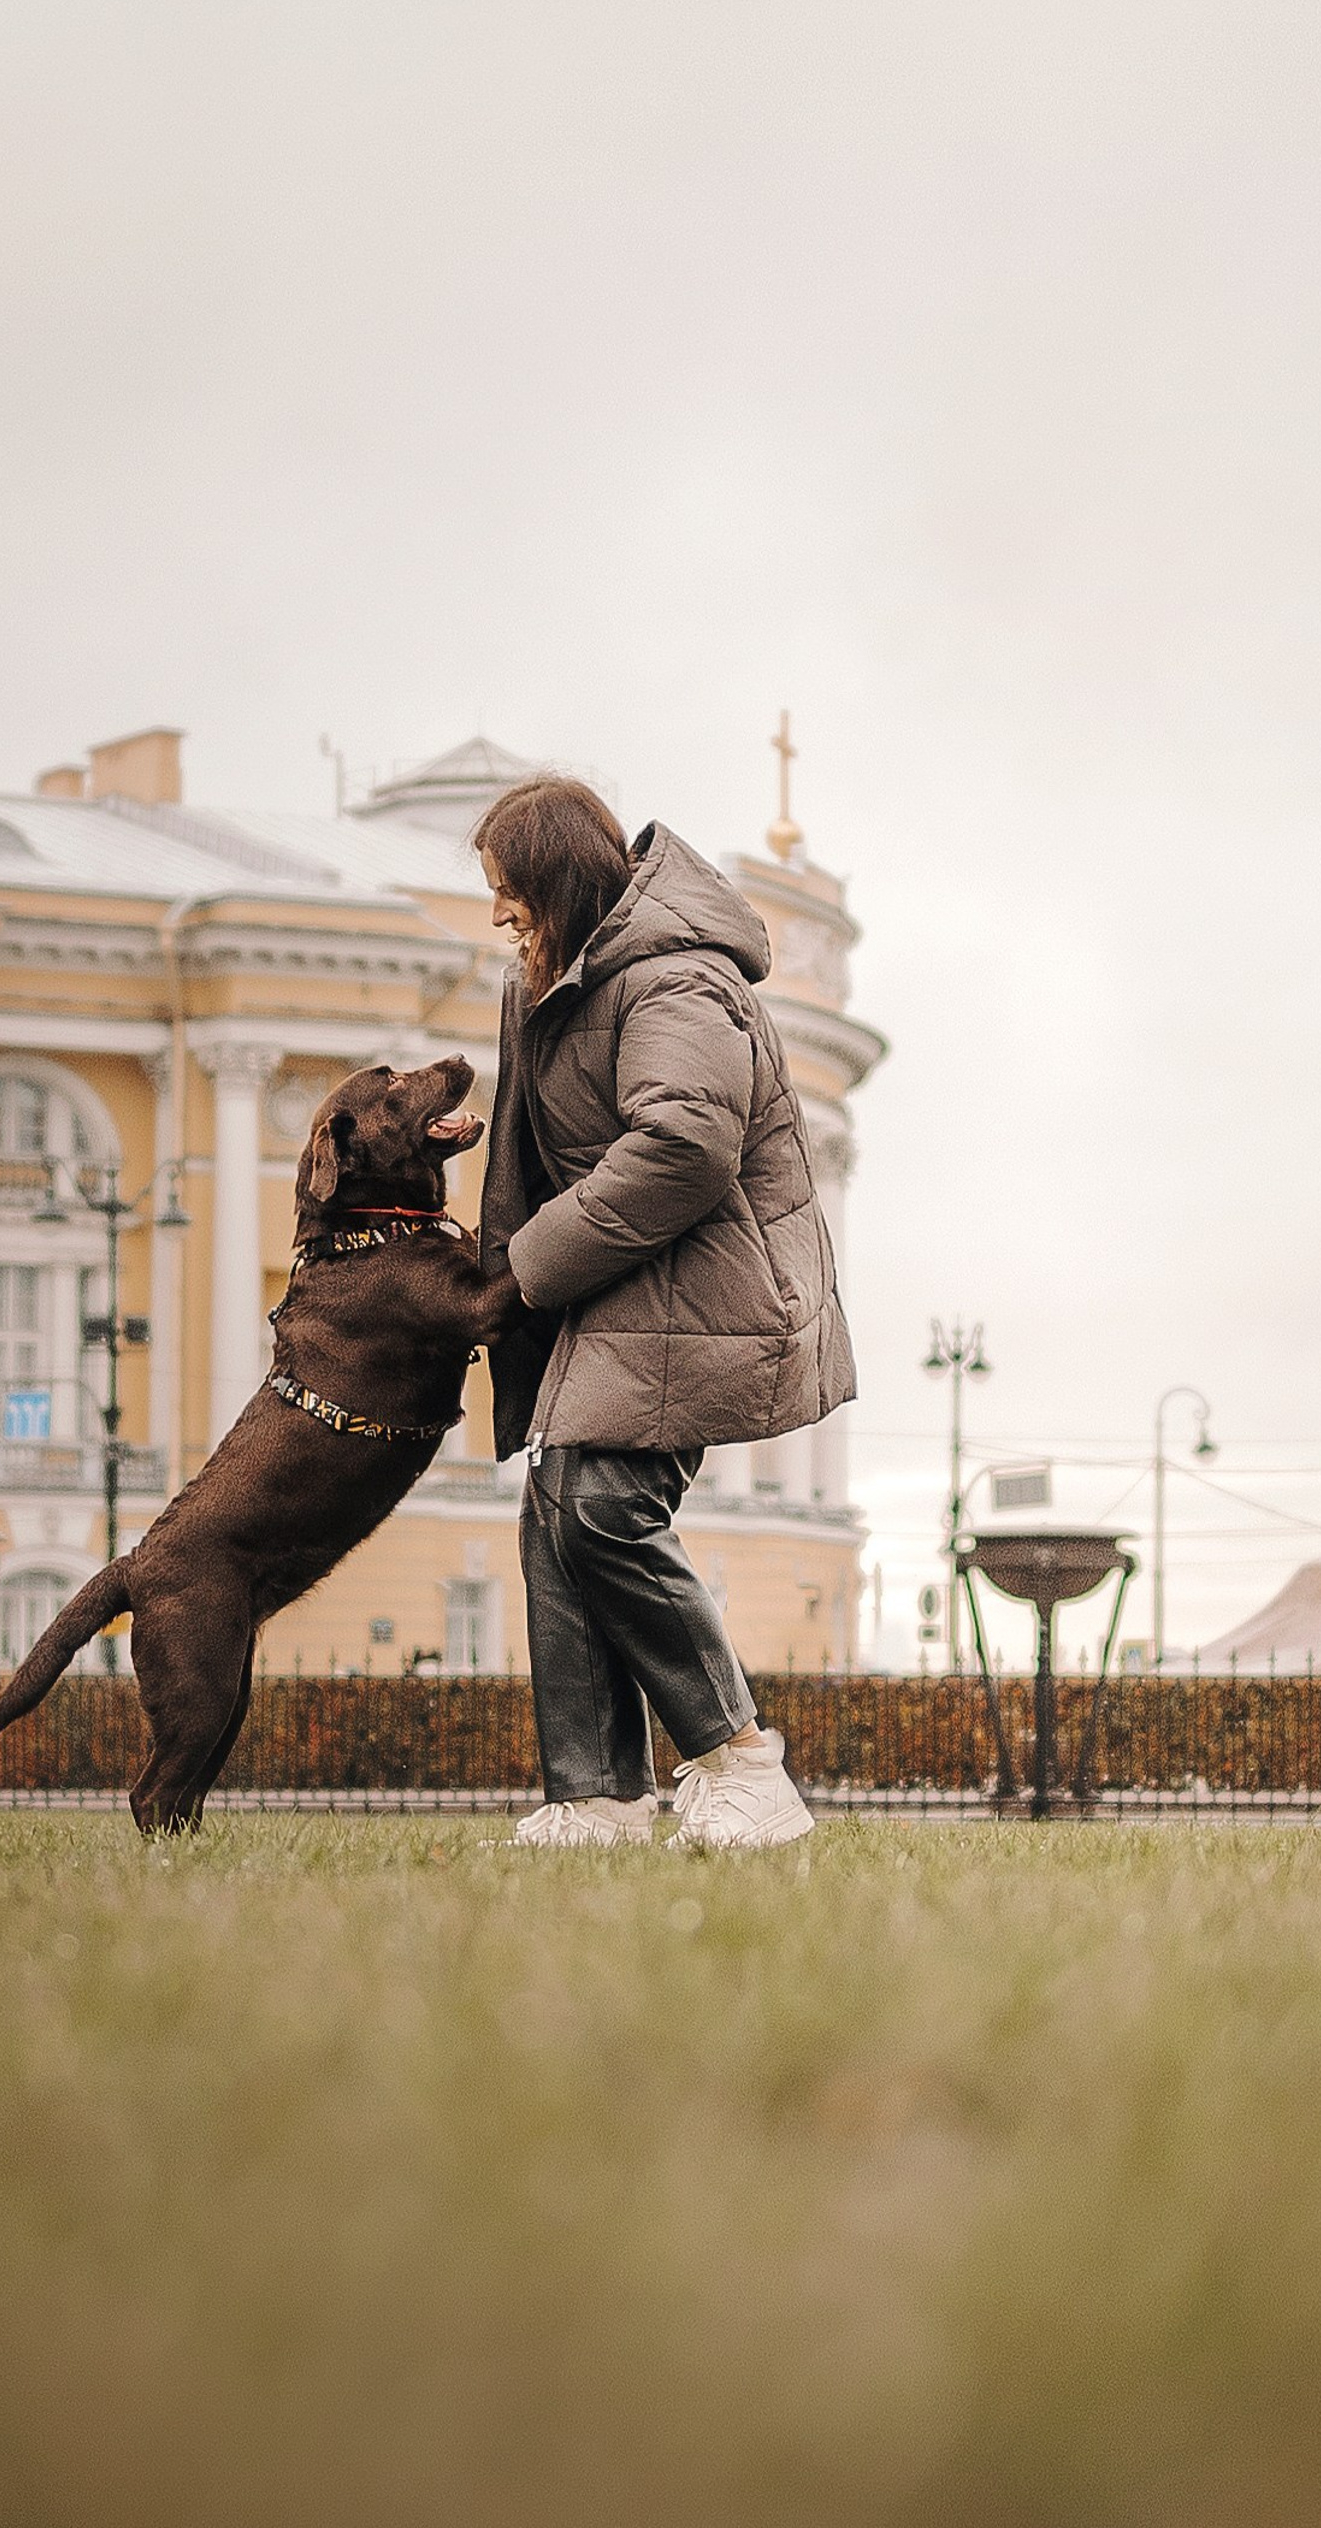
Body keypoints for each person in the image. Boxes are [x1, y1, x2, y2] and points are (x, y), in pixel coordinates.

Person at [474, 774, 852, 1849]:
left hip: (711, 1287)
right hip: (623, 1284)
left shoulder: (676, 978)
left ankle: (738, 1764)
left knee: (599, 1506)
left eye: (511, 890)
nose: (499, 912)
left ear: (560, 879)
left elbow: (683, 1149)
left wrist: (528, 1265)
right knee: (557, 1502)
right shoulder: (558, 976)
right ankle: (599, 1796)